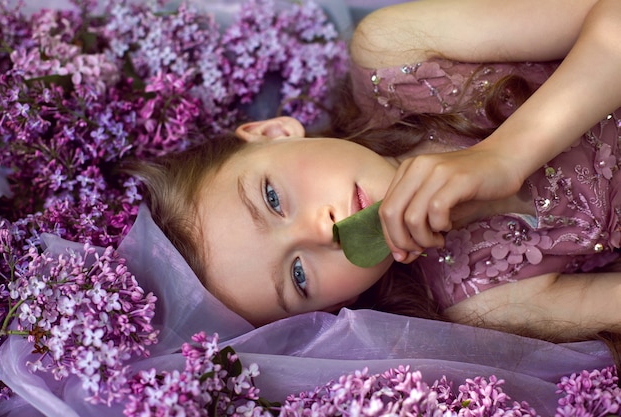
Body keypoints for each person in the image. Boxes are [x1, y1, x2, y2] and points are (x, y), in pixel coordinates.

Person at [131, 0, 621, 354]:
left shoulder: (396, 52)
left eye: (273, 198)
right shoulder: (481, 304)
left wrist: (505, 156)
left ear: (272, 132)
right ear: (342, 303)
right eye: (298, 275)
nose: (321, 231)